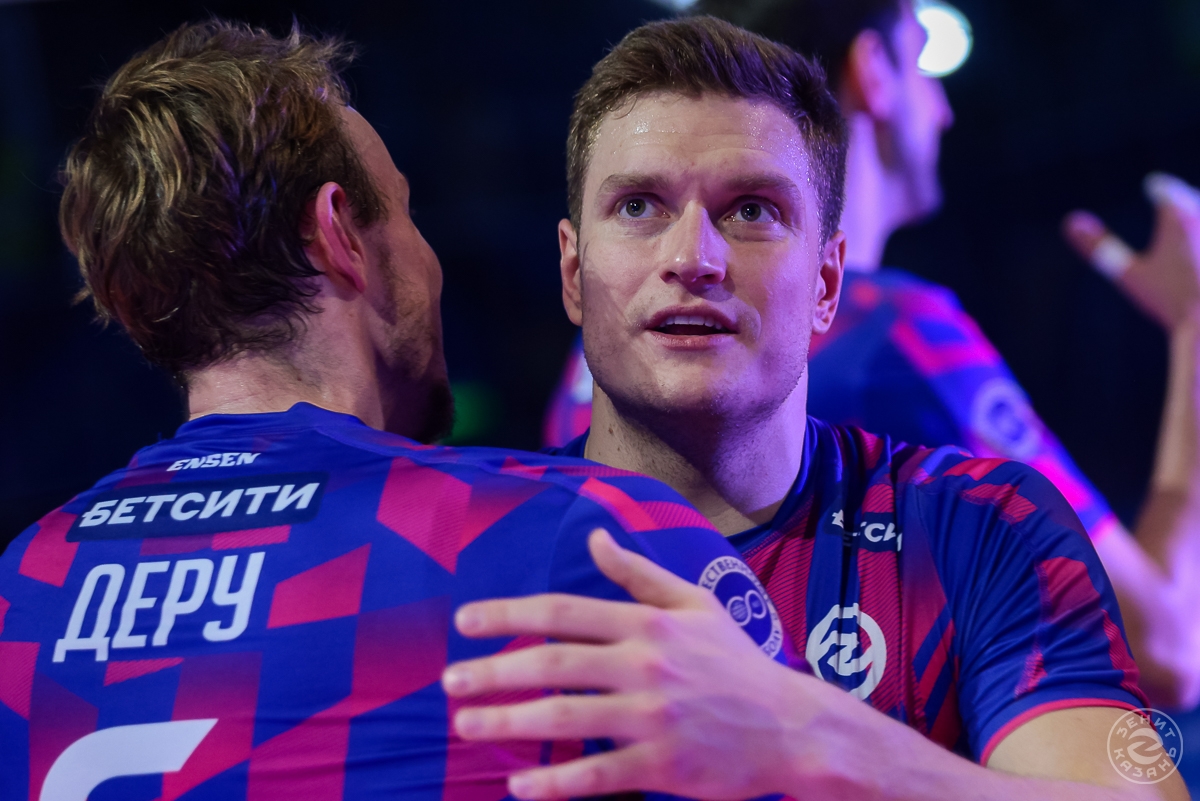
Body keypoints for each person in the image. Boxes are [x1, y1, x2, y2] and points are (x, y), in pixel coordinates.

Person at [0, 21, 790, 800]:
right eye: (407, 212)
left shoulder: (24, 584)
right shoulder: (586, 542)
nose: (428, 258)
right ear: (337, 232)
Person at [443, 16, 1189, 800]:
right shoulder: (454, 544)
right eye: (638, 207)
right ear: (573, 273)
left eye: (751, 210)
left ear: (828, 283)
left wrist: (811, 735)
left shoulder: (991, 522)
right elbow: (1171, 640)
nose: (692, 258)